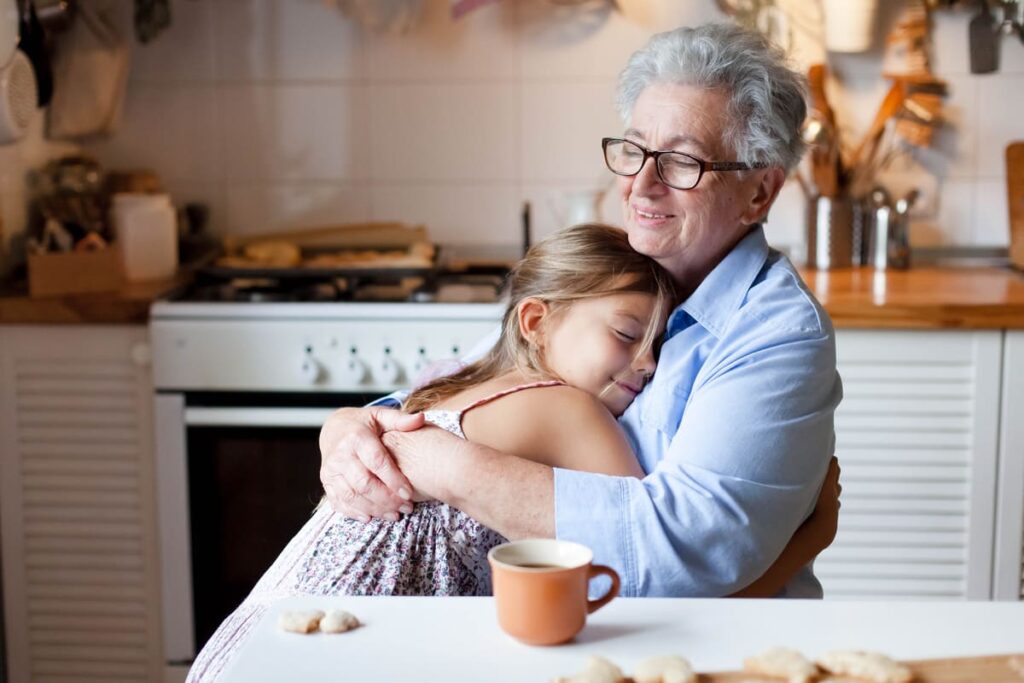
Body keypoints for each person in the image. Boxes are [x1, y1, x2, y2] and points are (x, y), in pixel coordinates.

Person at [318, 22, 844, 599]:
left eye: (682, 162)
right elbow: (480, 382)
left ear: (760, 192)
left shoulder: (778, 334)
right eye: (635, 150)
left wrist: (444, 467)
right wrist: (352, 429)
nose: (641, 186)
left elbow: (685, 552)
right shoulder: (612, 275)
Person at [188, 224, 839, 682]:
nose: (646, 365)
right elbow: (647, 600)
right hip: (319, 654)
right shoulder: (568, 408)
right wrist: (808, 541)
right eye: (624, 333)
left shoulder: (469, 382)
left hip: (249, 647)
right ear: (536, 321)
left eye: (660, 346)